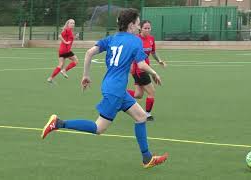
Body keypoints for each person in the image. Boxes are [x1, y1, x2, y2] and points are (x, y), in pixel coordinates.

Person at [41, 9, 168, 168]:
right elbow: (141, 64)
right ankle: (58, 123)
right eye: (137, 23)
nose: (138, 27)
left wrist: (86, 75)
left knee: (141, 117)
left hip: (114, 87)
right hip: (115, 91)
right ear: (131, 25)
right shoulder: (135, 41)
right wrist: (154, 72)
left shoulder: (112, 38)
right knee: (99, 128)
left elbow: (88, 53)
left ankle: (147, 158)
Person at [127, 20, 167, 121]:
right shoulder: (136, 39)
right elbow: (130, 53)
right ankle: (147, 115)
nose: (147, 30)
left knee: (138, 95)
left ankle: (120, 93)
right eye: (145, 28)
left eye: (149, 28)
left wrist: (159, 61)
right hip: (139, 70)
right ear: (140, 28)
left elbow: (153, 52)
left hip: (146, 68)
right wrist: (130, 64)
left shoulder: (151, 39)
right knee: (151, 92)